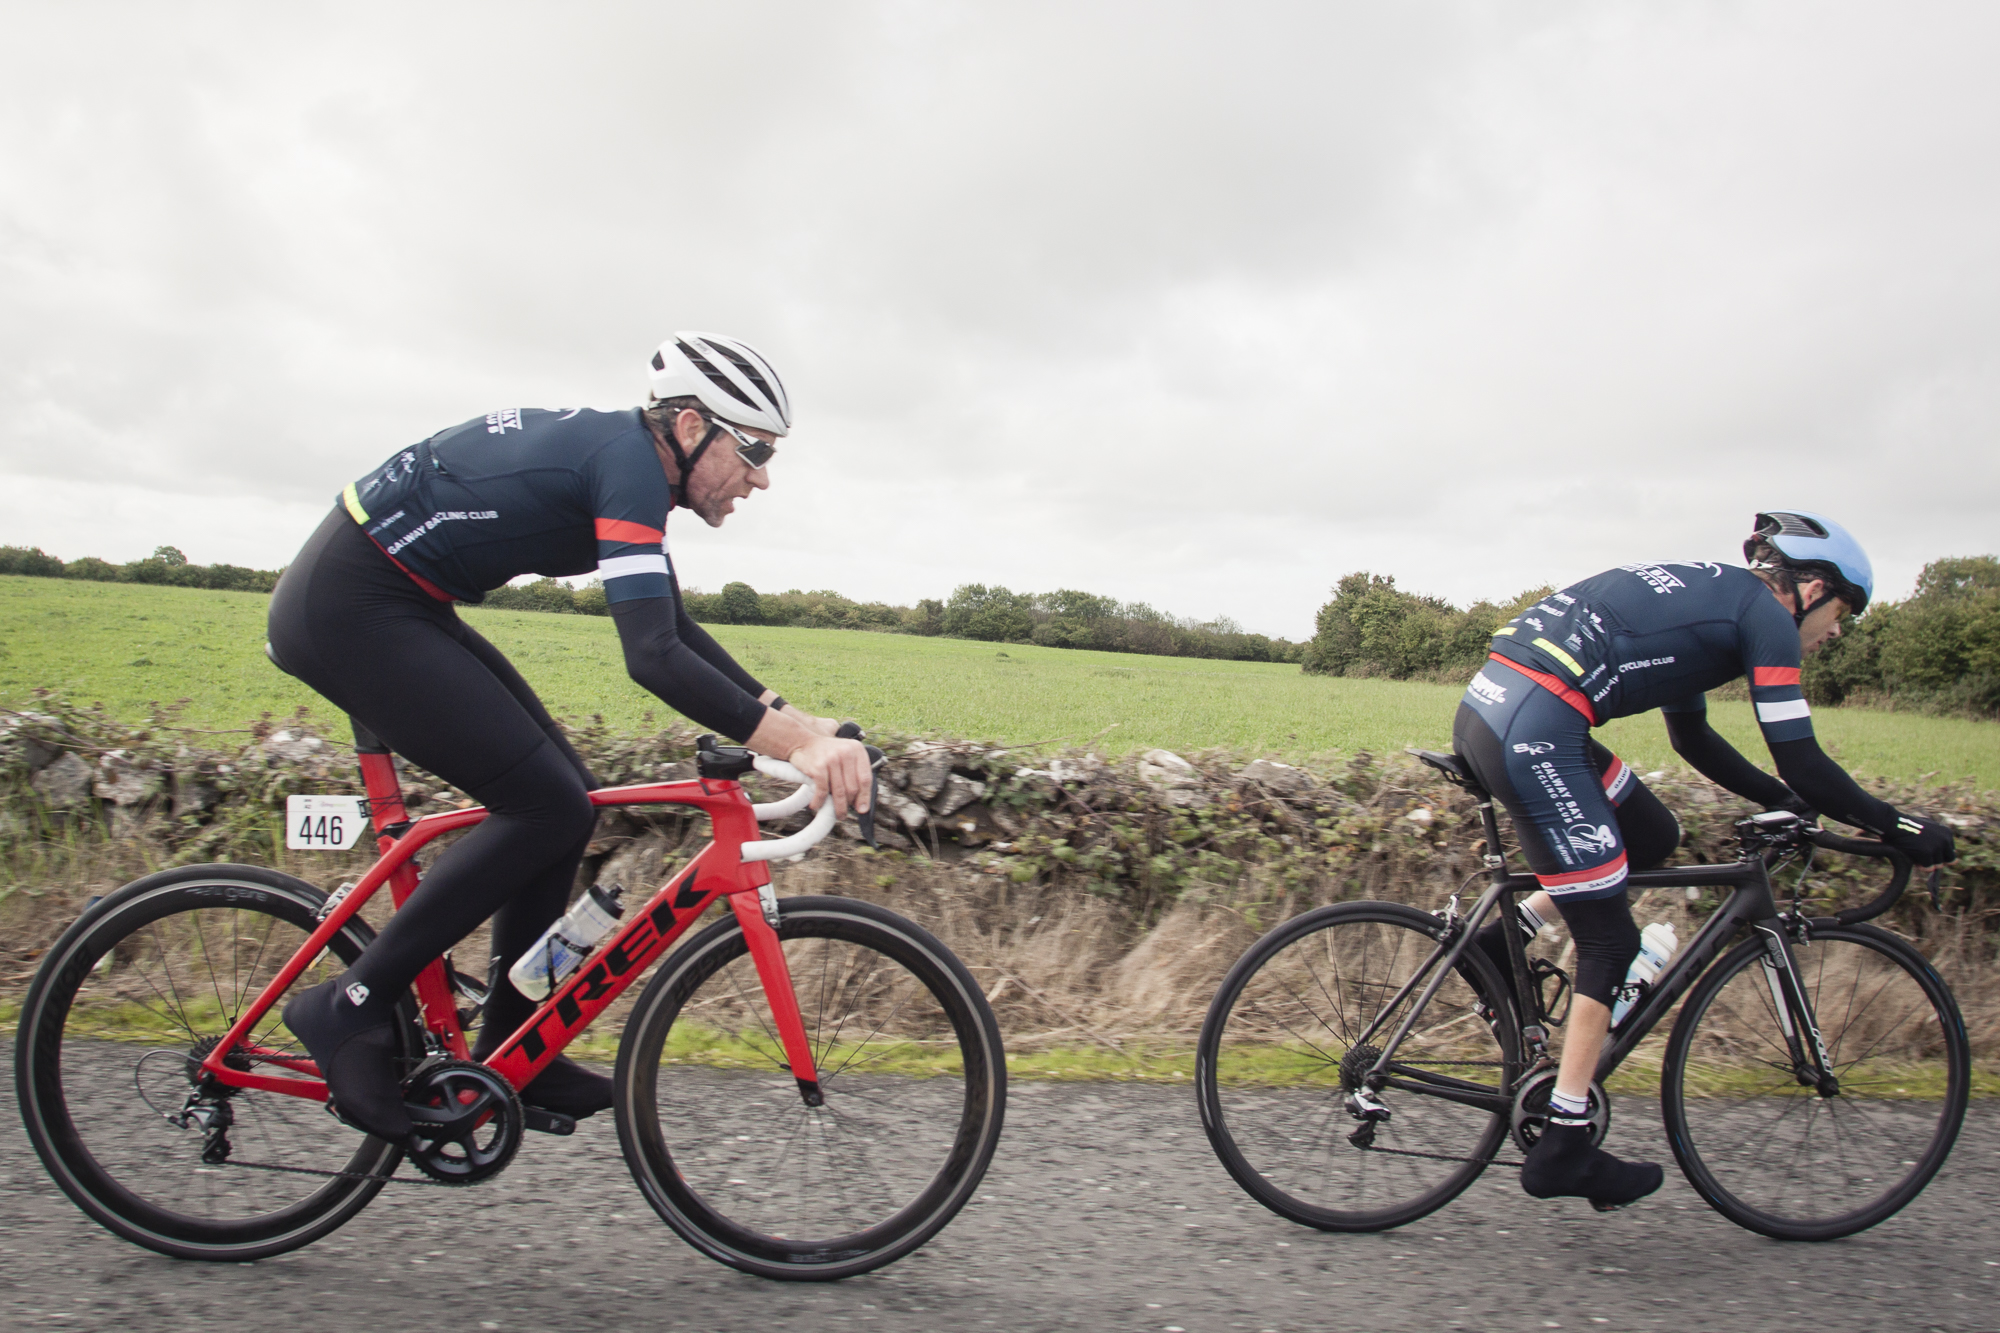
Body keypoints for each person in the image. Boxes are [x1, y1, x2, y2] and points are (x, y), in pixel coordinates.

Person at [267, 332, 873, 1144]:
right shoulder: (626, 462)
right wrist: (797, 747)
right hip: (351, 605)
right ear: (692, 428)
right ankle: (349, 1003)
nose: (762, 475)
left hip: (399, 598)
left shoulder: (629, 459)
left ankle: (518, 1048)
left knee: (566, 802)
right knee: (544, 805)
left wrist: (800, 721)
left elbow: (672, 625)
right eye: (754, 449)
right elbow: (651, 658)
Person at [1451, 510, 1957, 1208]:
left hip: (1505, 708)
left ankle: (1505, 938)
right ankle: (1565, 1142)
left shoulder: (1718, 600)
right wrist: (1898, 824)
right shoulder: (1767, 620)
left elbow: (1693, 739)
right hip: (1537, 724)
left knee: (1652, 835)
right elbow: (1803, 756)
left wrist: (1784, 799)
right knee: (1611, 938)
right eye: (1845, 610)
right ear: (1810, 588)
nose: (1839, 631)